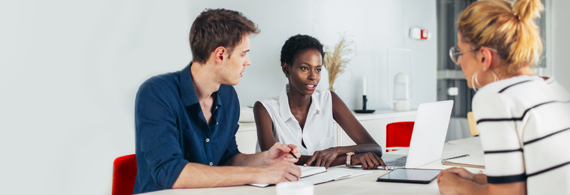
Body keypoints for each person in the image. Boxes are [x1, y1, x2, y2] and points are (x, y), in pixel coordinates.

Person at [133, 9, 302, 194]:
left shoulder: (228, 96)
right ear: (220, 55)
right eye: (243, 54)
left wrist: (266, 159)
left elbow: (228, 158)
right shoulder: (156, 94)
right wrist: (259, 173)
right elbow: (171, 174)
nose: (248, 61)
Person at [437, 0, 570, 194]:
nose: (458, 61)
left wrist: (457, 186)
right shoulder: (554, 88)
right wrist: (477, 179)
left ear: (483, 57)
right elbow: (541, 175)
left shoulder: (496, 97)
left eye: (460, 52)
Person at [254, 34, 387, 170]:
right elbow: (273, 159)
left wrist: (336, 151)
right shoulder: (265, 108)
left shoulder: (329, 100)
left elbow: (375, 148)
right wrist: (347, 159)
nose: (313, 77)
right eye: (305, 68)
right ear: (286, 69)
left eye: (318, 69)